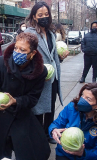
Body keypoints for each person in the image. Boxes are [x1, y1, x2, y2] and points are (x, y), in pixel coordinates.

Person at [0, 32, 50, 160]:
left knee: (34, 150)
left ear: (32, 54)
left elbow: (33, 98)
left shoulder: (40, 72)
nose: (17, 52)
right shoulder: (1, 62)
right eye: (16, 47)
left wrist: (15, 101)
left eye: (22, 50)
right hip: (0, 113)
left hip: (21, 113)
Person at [25, 1, 69, 144]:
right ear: (34, 16)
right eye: (40, 14)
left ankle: (48, 133)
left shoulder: (50, 33)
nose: (44, 17)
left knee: (50, 107)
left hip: (52, 78)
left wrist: (60, 59)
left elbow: (52, 55)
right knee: (38, 109)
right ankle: (38, 136)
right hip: (38, 77)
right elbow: (26, 57)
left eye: (46, 14)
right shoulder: (29, 33)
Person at [49, 83, 97, 160]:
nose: (82, 100)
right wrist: (53, 130)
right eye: (82, 95)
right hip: (63, 153)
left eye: (88, 99)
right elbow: (57, 123)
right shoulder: (72, 107)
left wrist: (83, 153)